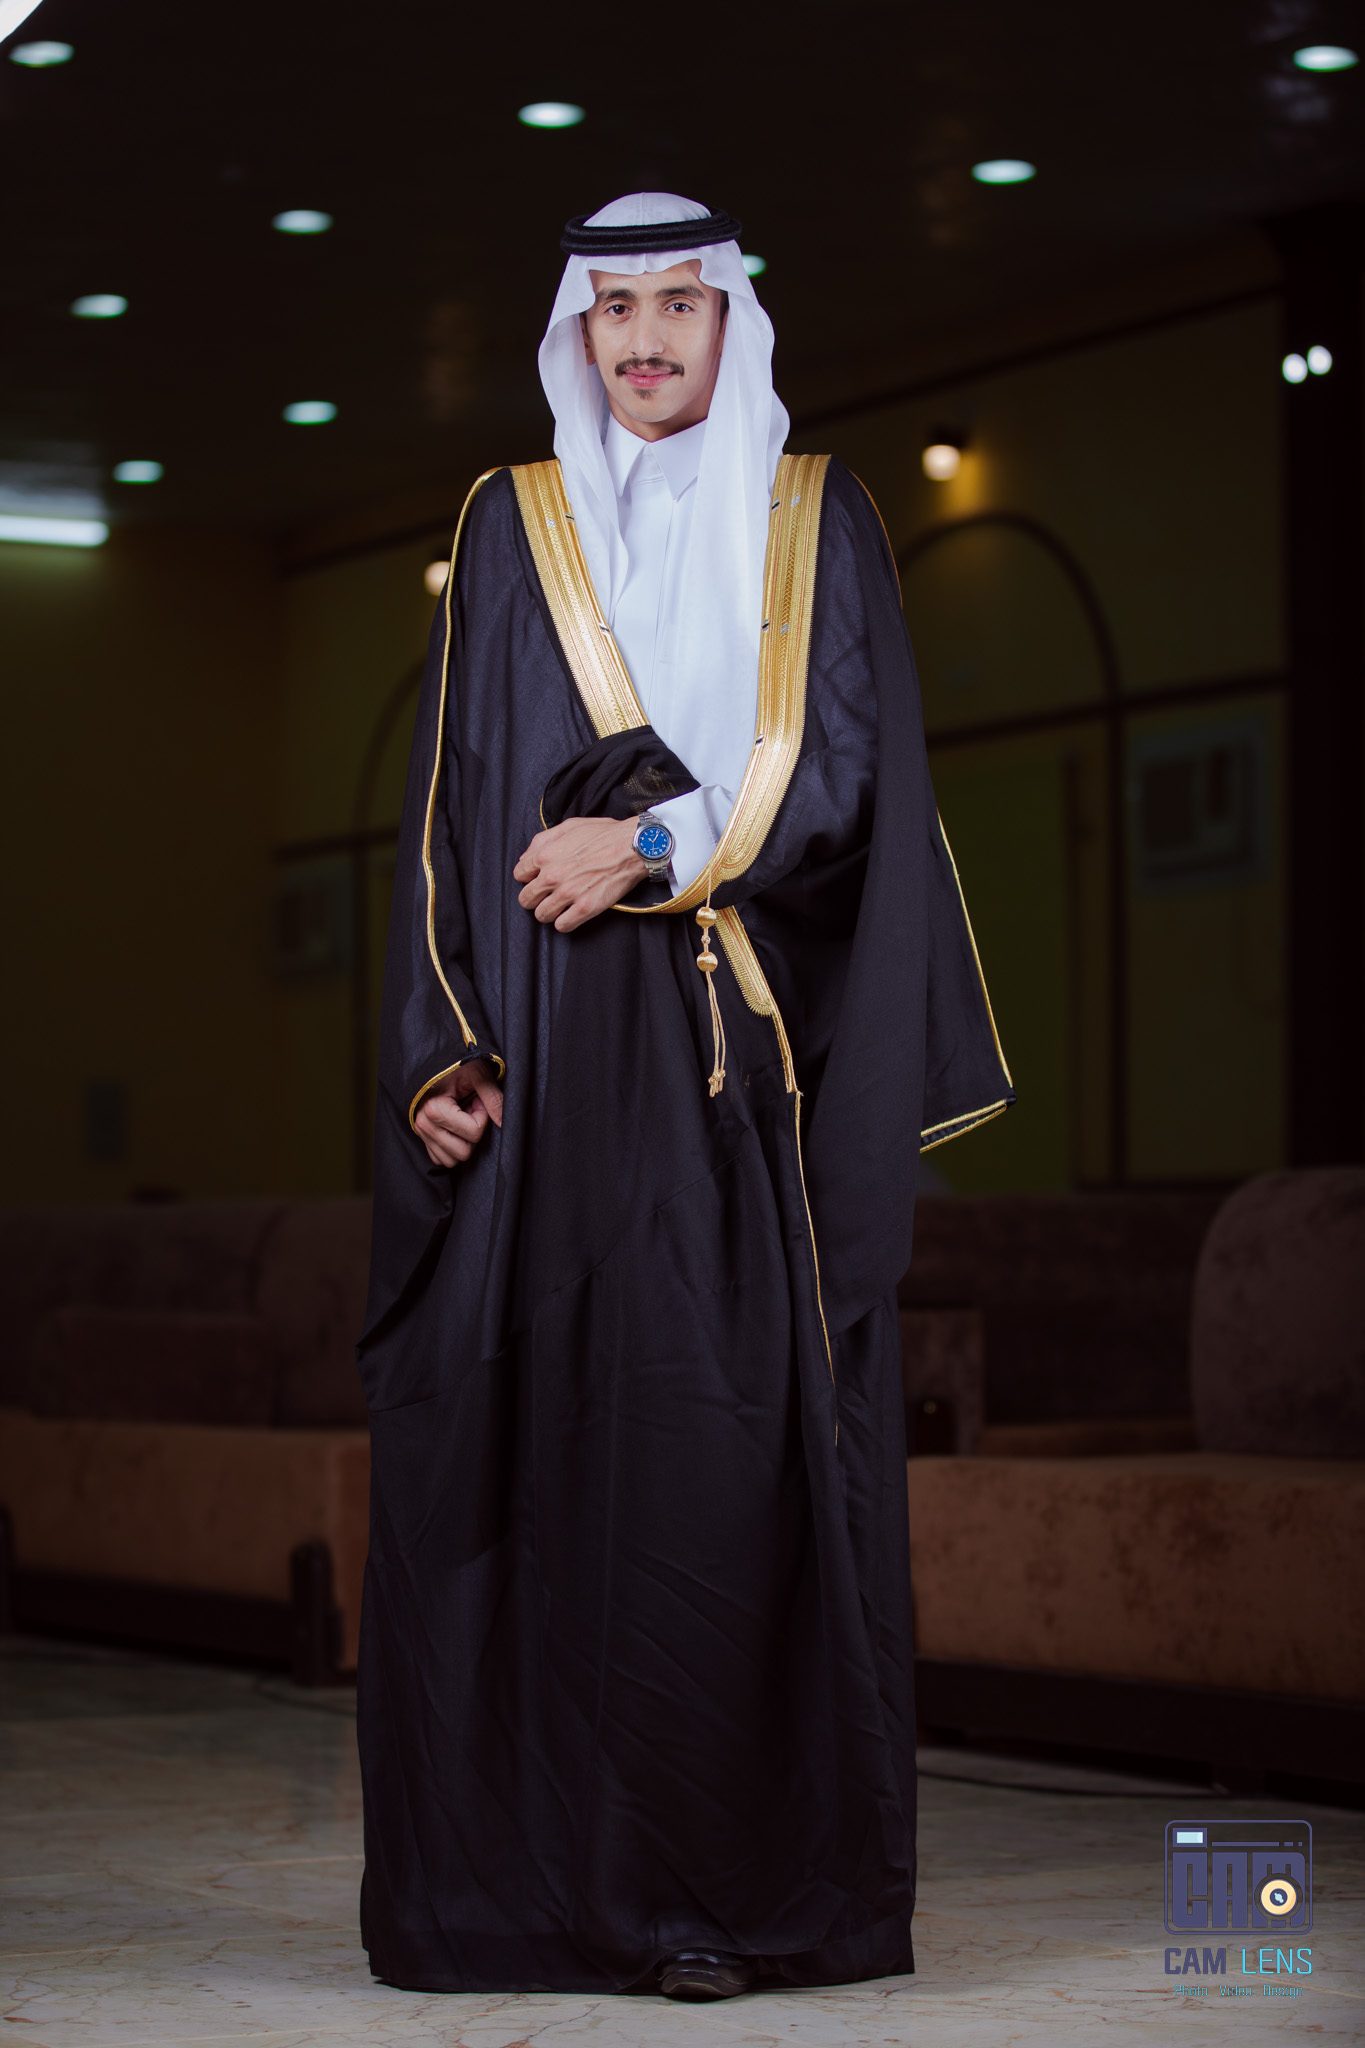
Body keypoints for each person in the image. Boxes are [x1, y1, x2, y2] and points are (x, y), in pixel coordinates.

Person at [357, 191, 1013, 2002]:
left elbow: (847, 775)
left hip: (735, 1081)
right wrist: (438, 1049)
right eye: (615, 308)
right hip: (543, 1067)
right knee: (529, 1452)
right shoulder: (509, 520)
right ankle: (520, 1903)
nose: (645, 339)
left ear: (732, 319)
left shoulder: (816, 516)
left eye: (678, 304)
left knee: (713, 1472)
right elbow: (447, 805)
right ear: (576, 329)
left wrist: (648, 843)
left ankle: (727, 1898)